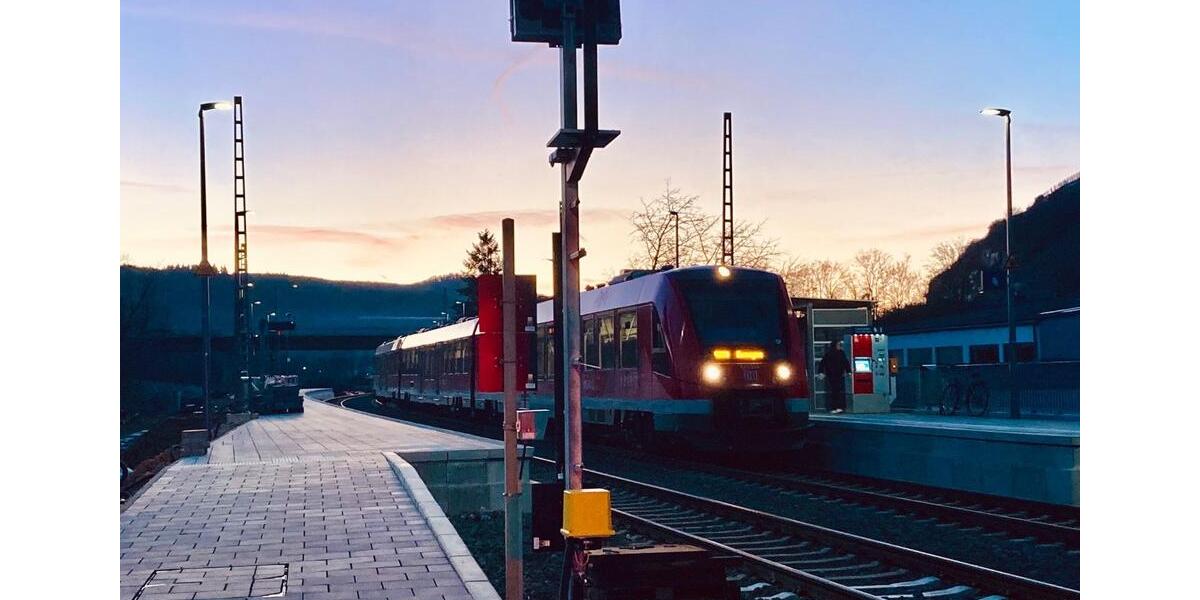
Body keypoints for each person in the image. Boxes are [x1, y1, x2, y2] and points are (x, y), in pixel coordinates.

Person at [819, 340, 851, 414]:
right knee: (837, 392)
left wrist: (821, 372)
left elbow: (822, 363)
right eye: (839, 344)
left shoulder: (829, 353)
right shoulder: (841, 353)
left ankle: (835, 407)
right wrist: (848, 371)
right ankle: (837, 407)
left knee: (834, 392)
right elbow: (845, 362)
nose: (840, 346)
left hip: (832, 375)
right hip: (838, 375)